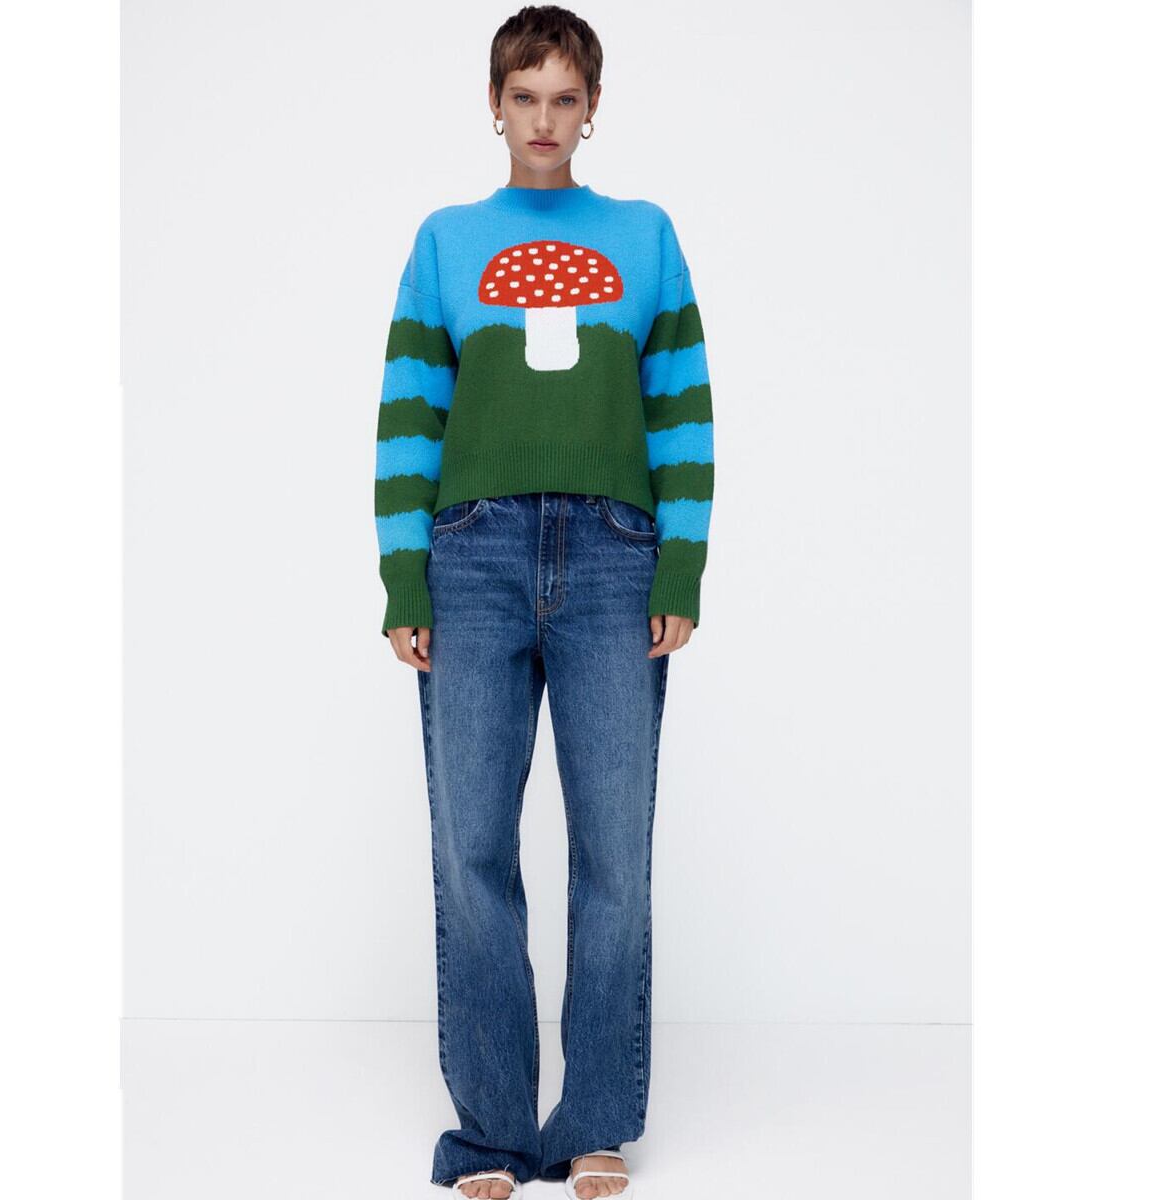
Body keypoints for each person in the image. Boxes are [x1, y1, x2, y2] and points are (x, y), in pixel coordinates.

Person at [372, 7, 714, 1196]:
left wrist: (680, 566)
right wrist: (403, 574)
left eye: (565, 99)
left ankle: (596, 1119)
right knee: (471, 847)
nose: (544, 121)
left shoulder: (644, 236)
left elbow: (682, 409)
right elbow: (408, 412)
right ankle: (494, 1129)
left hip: (616, 558)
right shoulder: (447, 242)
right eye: (525, 98)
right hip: (471, 557)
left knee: (614, 850)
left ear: (593, 108)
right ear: (494, 104)